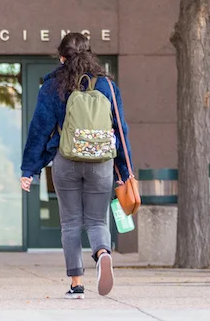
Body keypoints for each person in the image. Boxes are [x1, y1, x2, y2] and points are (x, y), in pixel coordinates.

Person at [20, 32, 132, 299]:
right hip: (101, 162)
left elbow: (39, 130)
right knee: (96, 219)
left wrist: (29, 170)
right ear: (89, 54)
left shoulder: (52, 86)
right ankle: (103, 253)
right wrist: (124, 172)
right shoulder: (106, 86)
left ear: (61, 57)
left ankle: (76, 284)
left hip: (66, 161)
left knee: (70, 223)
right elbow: (121, 130)